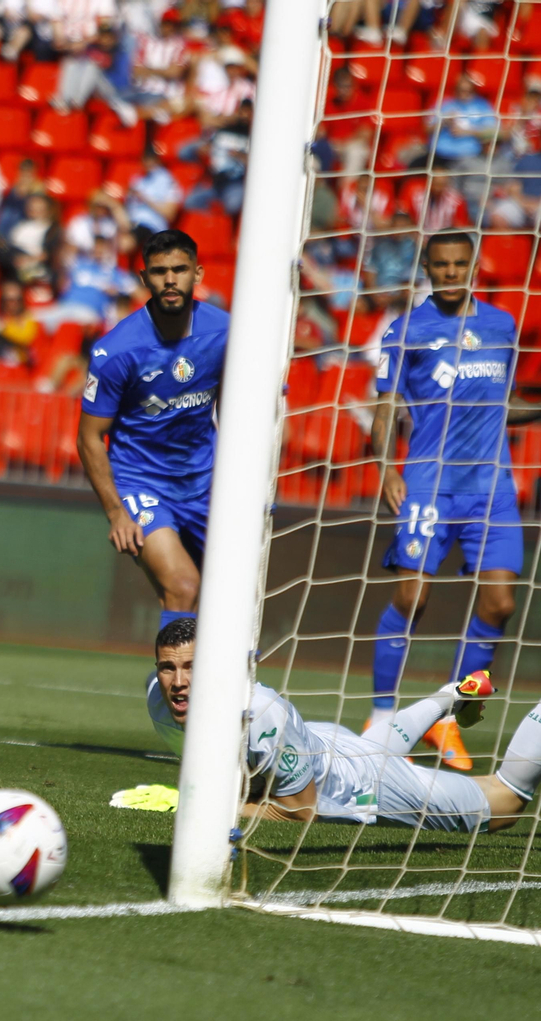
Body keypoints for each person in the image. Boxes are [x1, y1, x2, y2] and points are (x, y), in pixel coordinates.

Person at [369, 230, 528, 772]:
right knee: (413, 598)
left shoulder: (501, 326)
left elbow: (504, 408)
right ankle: (381, 714)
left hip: (492, 488)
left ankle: (452, 720)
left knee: (501, 605)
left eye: (461, 264)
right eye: (442, 265)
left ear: (474, 265)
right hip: (429, 484)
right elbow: (386, 409)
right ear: (428, 268)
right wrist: (386, 466)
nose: (452, 272)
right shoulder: (407, 331)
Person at [148, 617, 539, 832]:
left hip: (360, 786)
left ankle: (456, 698)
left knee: (506, 803)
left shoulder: (261, 713)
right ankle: (454, 694)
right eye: (168, 668)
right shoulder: (159, 699)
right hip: (325, 745)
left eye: (192, 667)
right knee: (373, 751)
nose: (178, 683)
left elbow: (300, 812)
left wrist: (211, 806)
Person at [75, 228, 229, 634]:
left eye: (180, 269)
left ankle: (201, 692)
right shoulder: (117, 351)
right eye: (159, 272)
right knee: (182, 585)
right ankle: (175, 696)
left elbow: (235, 408)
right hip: (141, 482)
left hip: (203, 482)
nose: (170, 280)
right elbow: (90, 436)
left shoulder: (225, 331)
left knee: (230, 594)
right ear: (145, 279)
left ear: (197, 273)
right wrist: (116, 512)